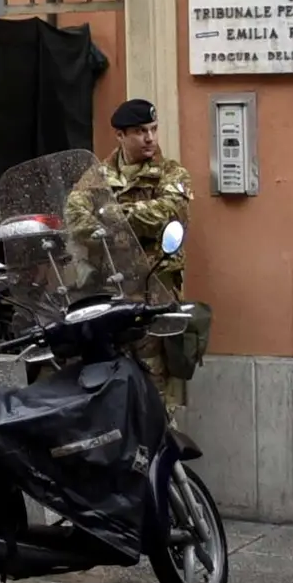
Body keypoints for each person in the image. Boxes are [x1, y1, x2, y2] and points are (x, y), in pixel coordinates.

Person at [90, 98, 195, 411]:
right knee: (106, 383)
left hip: (154, 297)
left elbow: (167, 214)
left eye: (153, 129)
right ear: (120, 136)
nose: (150, 138)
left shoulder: (172, 173)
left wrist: (110, 215)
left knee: (155, 389)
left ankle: (160, 447)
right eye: (139, 131)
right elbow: (77, 220)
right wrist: (124, 217)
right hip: (106, 295)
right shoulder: (96, 177)